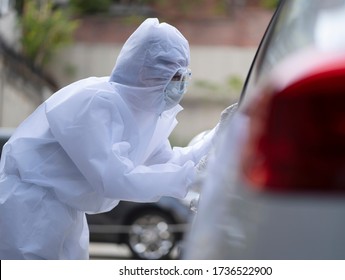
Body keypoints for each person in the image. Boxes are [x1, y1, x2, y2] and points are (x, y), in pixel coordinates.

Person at [0, 18, 227, 259]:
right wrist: (192, 178)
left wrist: (217, 136)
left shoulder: (144, 112)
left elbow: (165, 162)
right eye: (174, 75)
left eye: (184, 75)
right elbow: (115, 178)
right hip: (30, 210)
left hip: (66, 213)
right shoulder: (95, 102)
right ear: (145, 71)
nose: (180, 84)